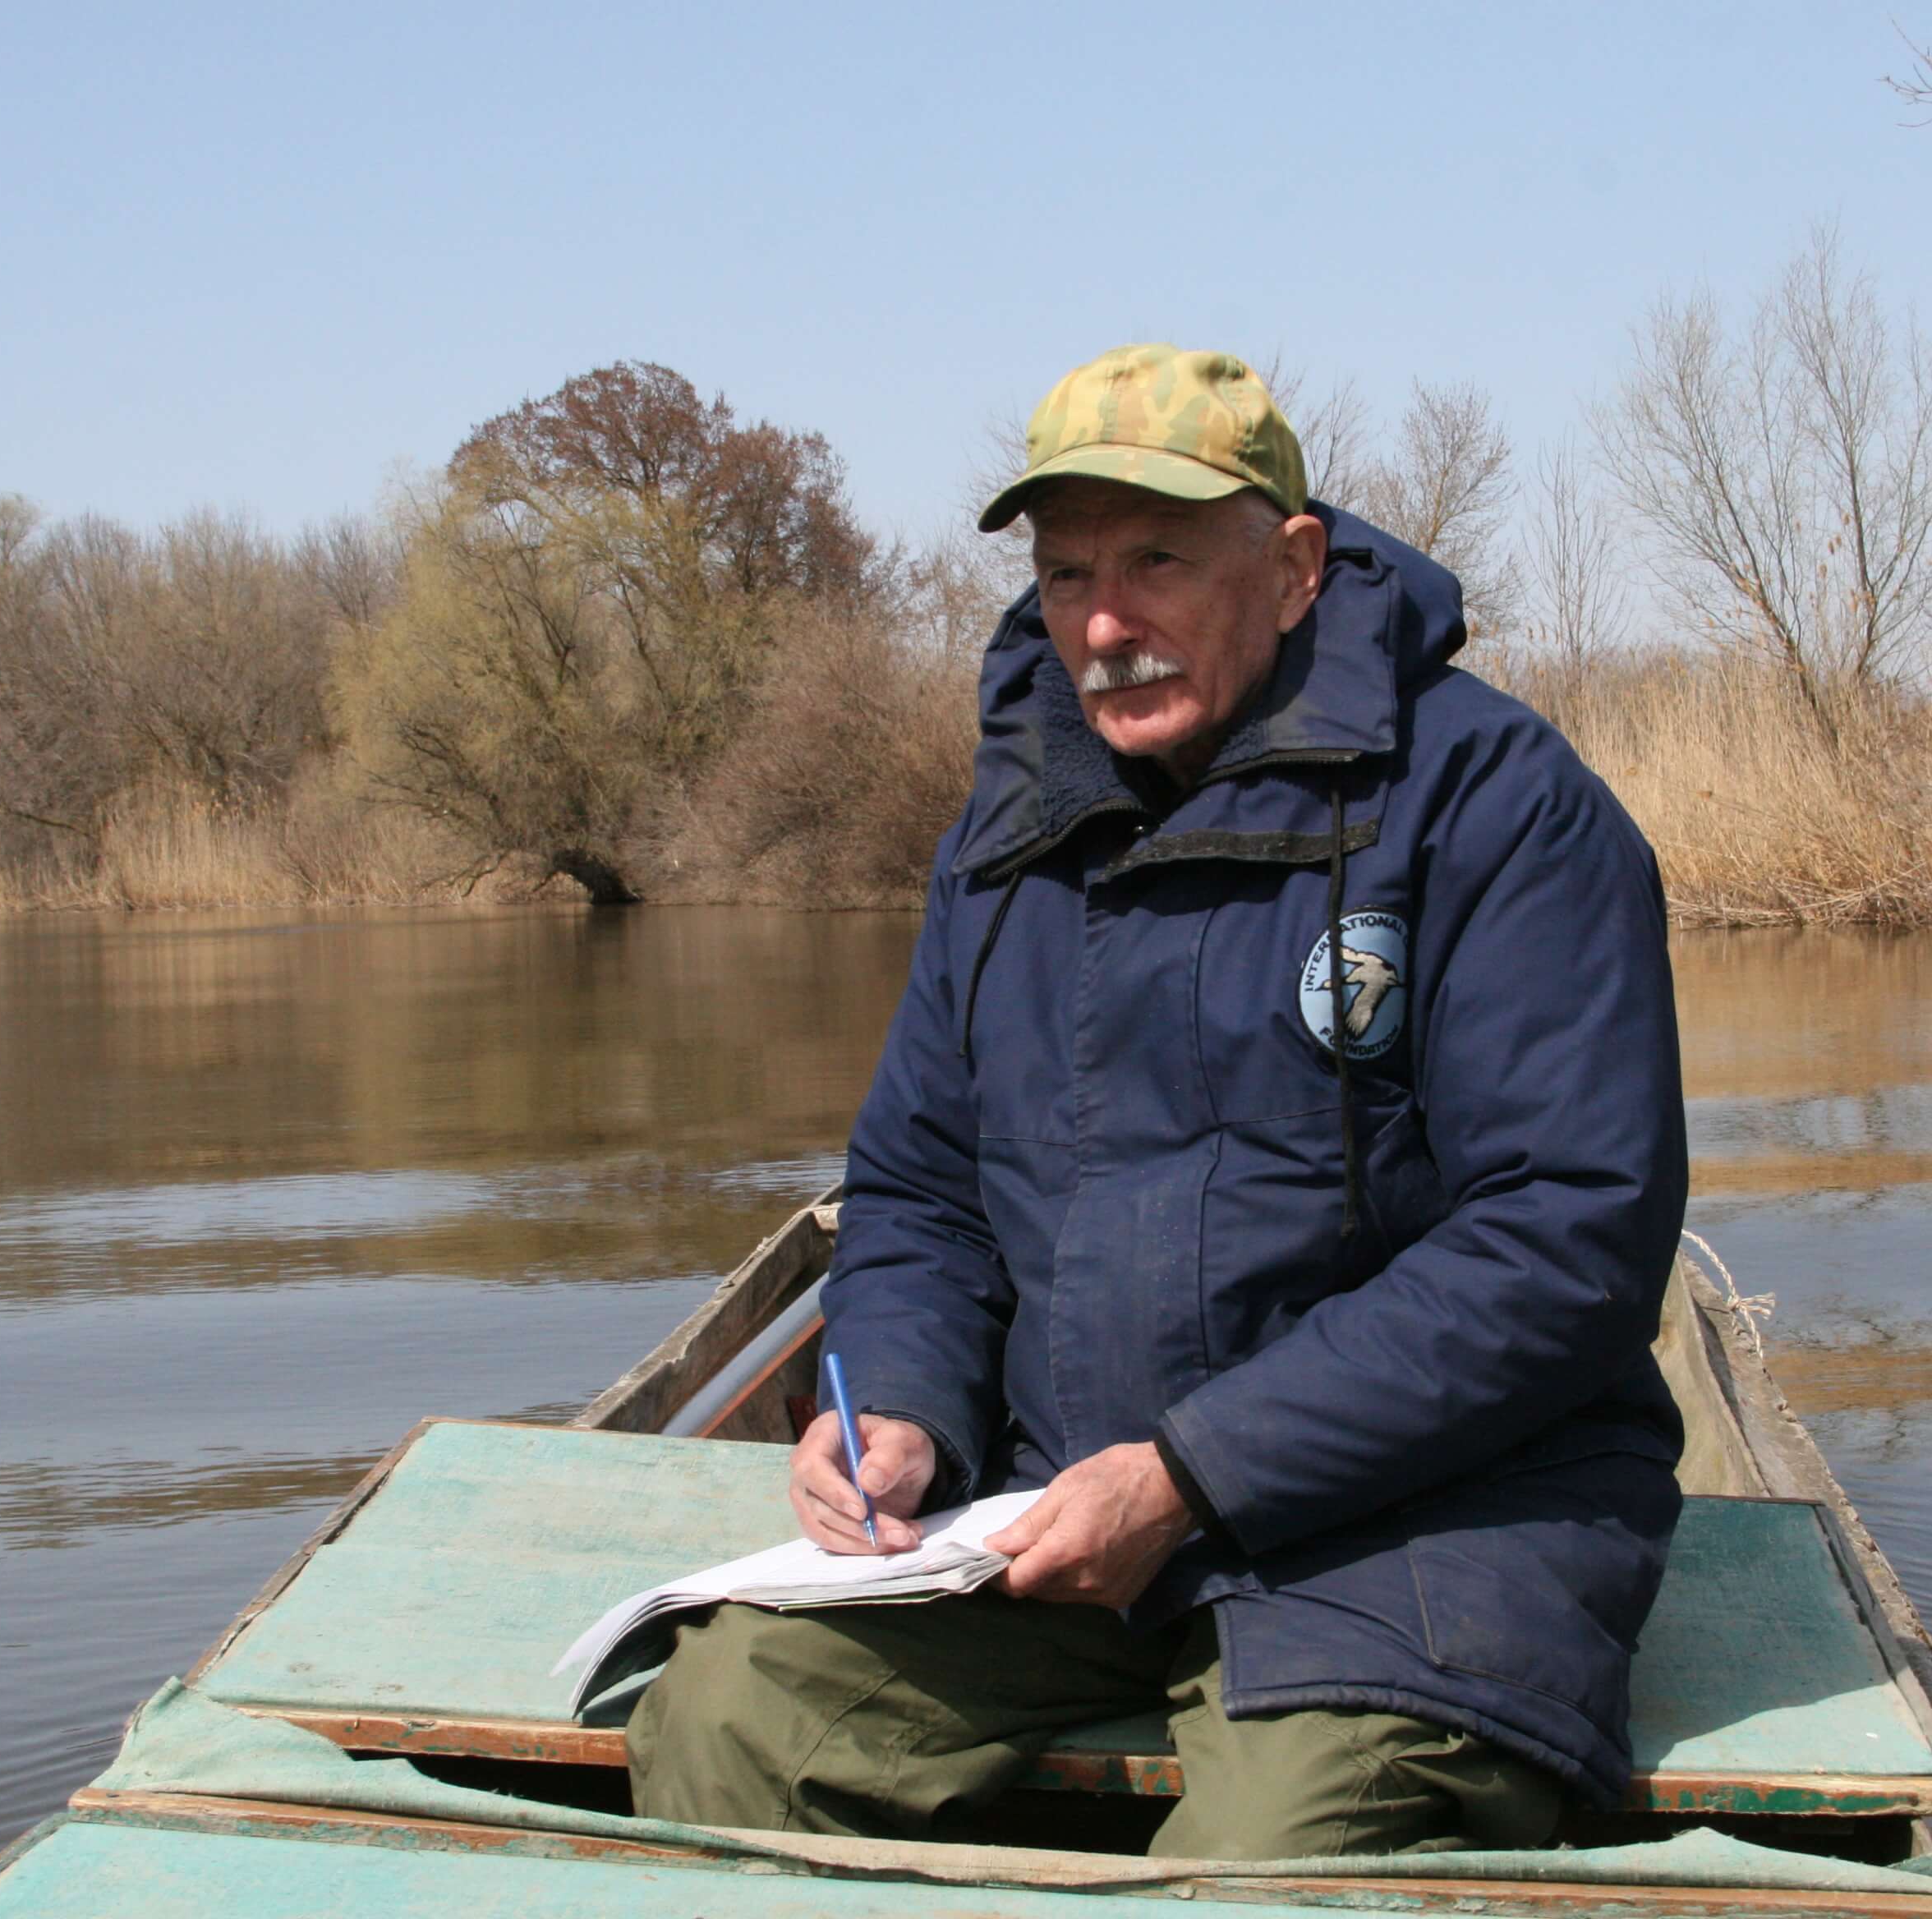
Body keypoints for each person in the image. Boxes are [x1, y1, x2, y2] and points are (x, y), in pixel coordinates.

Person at [628, 343, 1687, 1860]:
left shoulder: (1499, 807)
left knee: (1268, 1864)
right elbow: (924, 1193)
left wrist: (1196, 1472)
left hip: (1431, 1525)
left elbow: (1566, 1239)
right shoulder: (1005, 842)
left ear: (1298, 567)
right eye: (1067, 578)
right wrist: (908, 1411)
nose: (1106, 623)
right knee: (728, 1728)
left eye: (1159, 561)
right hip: (1066, 1512)